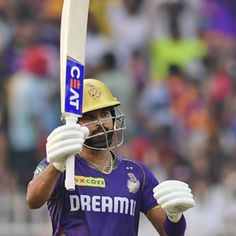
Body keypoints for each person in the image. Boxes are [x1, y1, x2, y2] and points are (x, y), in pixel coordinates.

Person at [26, 78, 195, 236]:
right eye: (90, 117)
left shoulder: (138, 173)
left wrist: (174, 217)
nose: (100, 123)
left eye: (105, 114)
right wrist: (56, 166)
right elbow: (33, 200)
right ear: (74, 124)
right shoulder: (59, 163)